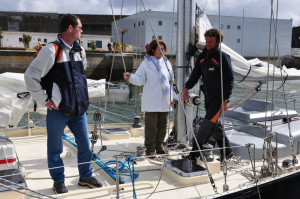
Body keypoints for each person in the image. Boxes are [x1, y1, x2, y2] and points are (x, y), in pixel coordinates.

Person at [24, 14, 102, 194]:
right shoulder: (51, 51)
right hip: (58, 110)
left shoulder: (80, 50)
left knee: (84, 145)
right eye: (80, 28)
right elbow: (31, 76)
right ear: (70, 28)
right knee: (55, 148)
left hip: (79, 109)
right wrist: (45, 101)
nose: (82, 31)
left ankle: (85, 176)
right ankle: (58, 181)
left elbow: (80, 76)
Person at [183, 28, 234, 162]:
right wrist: (187, 88)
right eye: (207, 41)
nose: (208, 43)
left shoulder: (222, 57)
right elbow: (195, 74)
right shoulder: (202, 57)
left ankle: (194, 154)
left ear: (218, 42)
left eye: (211, 41)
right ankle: (227, 152)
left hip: (218, 99)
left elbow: (229, 79)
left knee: (205, 127)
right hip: (208, 98)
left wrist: (226, 99)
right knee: (215, 126)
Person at [123, 40, 176, 157]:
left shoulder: (167, 63)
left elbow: (171, 82)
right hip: (151, 100)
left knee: (163, 127)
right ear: (153, 50)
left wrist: (174, 97)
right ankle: (150, 149)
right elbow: (140, 79)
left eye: (163, 49)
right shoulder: (146, 63)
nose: (162, 51)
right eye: (159, 49)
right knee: (151, 128)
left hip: (165, 101)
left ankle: (160, 148)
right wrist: (130, 76)